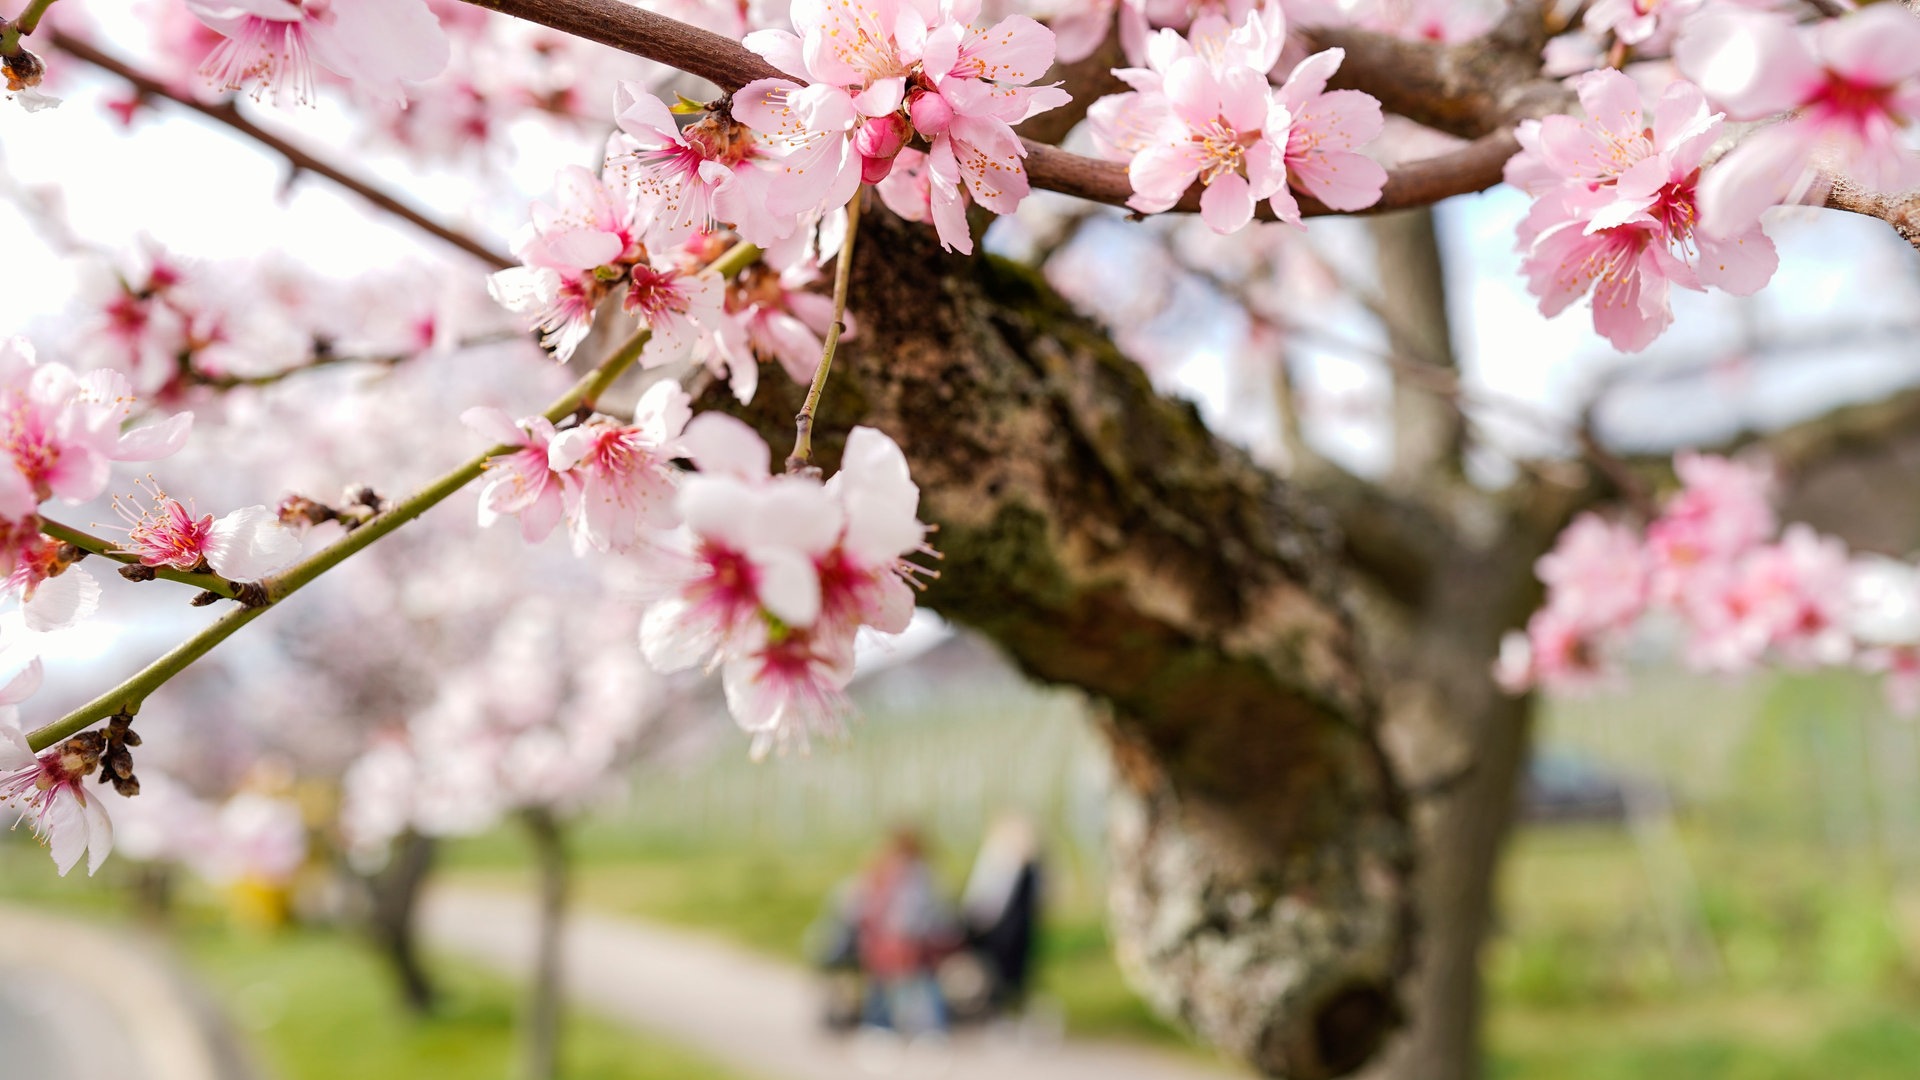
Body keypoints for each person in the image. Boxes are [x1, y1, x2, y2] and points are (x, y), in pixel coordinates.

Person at [852, 828, 958, 1034]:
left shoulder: (886, 871)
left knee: (894, 977)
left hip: (895, 944)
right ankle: (926, 1027)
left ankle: (882, 1025)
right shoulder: (920, 873)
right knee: (914, 979)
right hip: (903, 945)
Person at [959, 815, 1042, 1011]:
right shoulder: (1032, 867)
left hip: (995, 934)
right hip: (1018, 935)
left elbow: (984, 903)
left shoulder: (1000, 861)